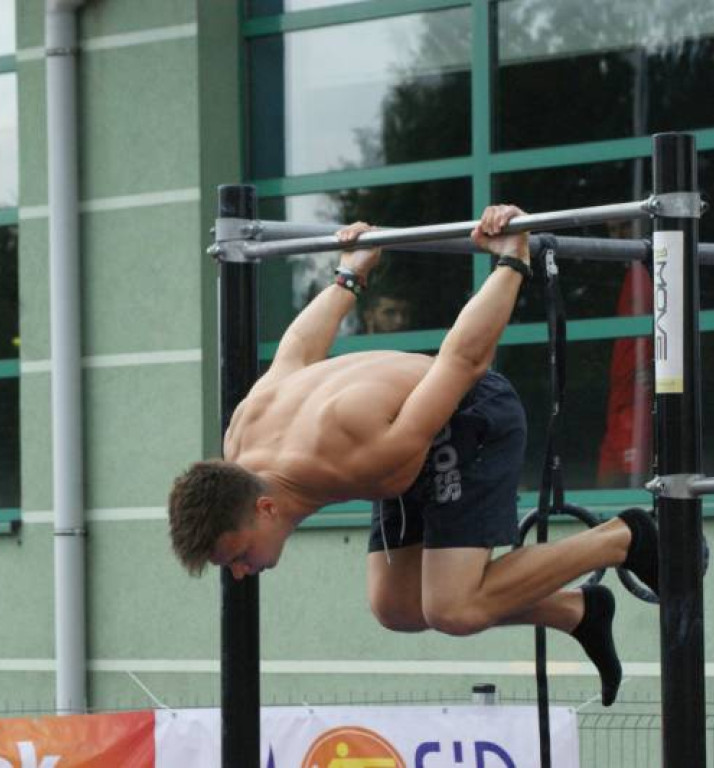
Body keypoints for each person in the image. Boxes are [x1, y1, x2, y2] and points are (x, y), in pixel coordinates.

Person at [167, 205, 659, 707]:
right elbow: (296, 350)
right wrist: (350, 274)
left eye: (238, 557)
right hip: (400, 438)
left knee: (454, 608)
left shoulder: (357, 452)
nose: (240, 573)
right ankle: (579, 612)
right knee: (396, 606)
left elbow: (464, 361)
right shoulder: (243, 439)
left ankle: (625, 536)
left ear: (265, 508)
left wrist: (512, 261)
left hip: (467, 413)